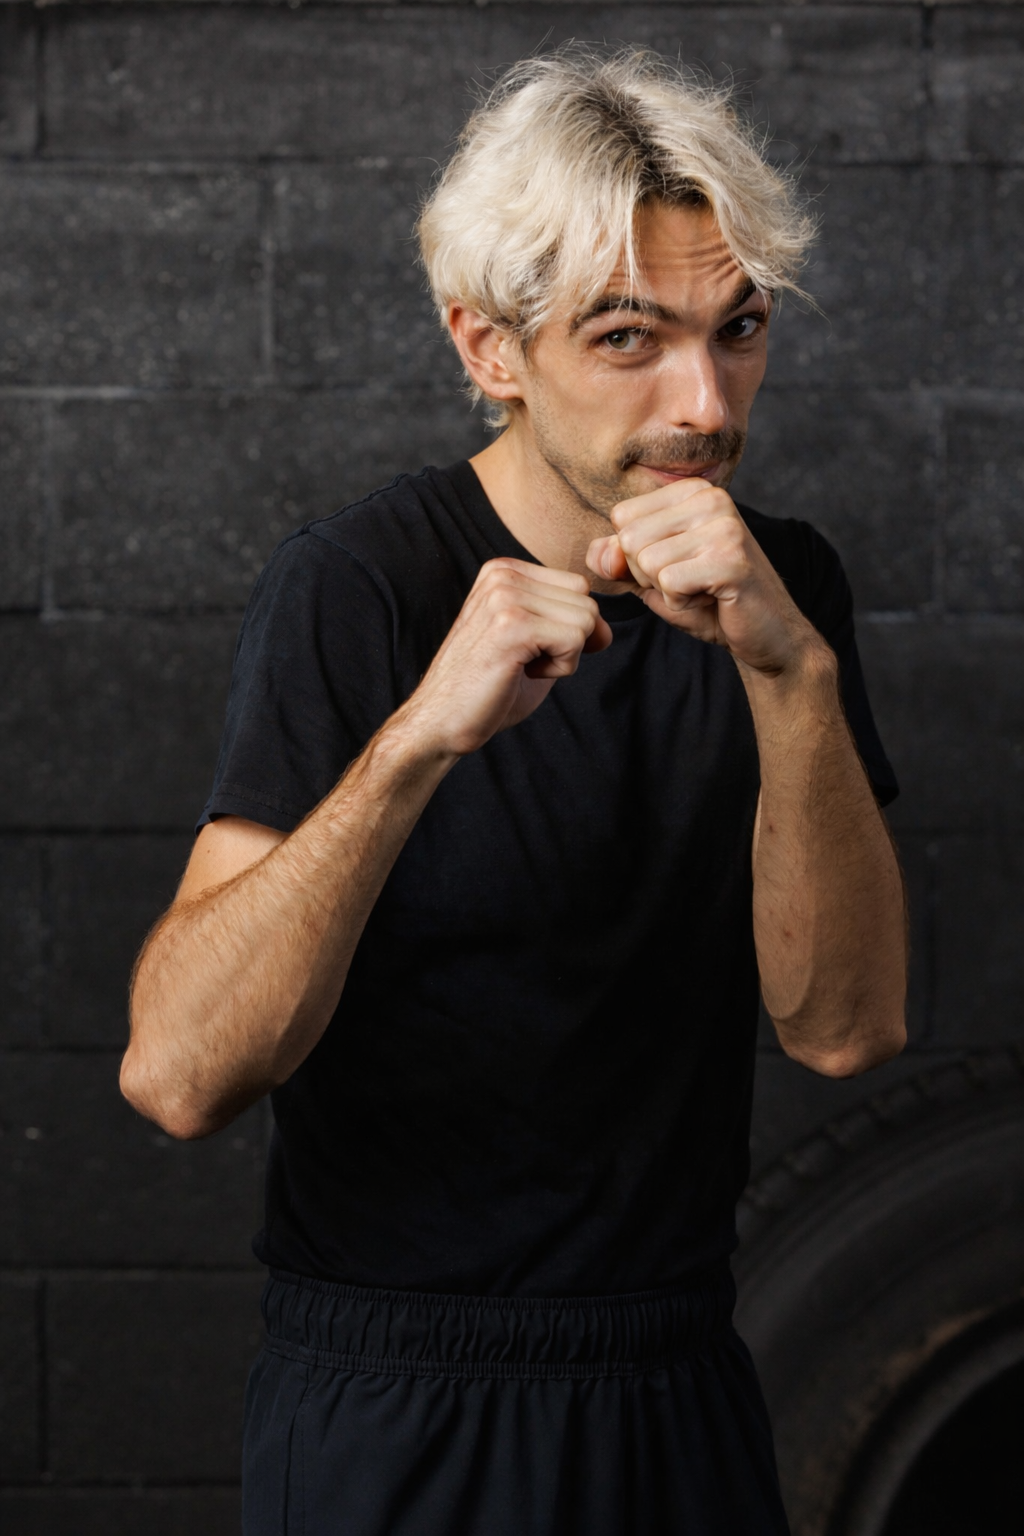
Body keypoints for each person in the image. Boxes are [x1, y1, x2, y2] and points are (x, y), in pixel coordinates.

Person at [121, 48, 907, 1536]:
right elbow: (178, 1076)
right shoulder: (354, 586)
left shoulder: (784, 589)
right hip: (395, 1395)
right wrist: (419, 736)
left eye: (738, 331)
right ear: (490, 347)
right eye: (628, 338)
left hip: (676, 1381)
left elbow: (846, 1029)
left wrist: (792, 672)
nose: (704, 403)